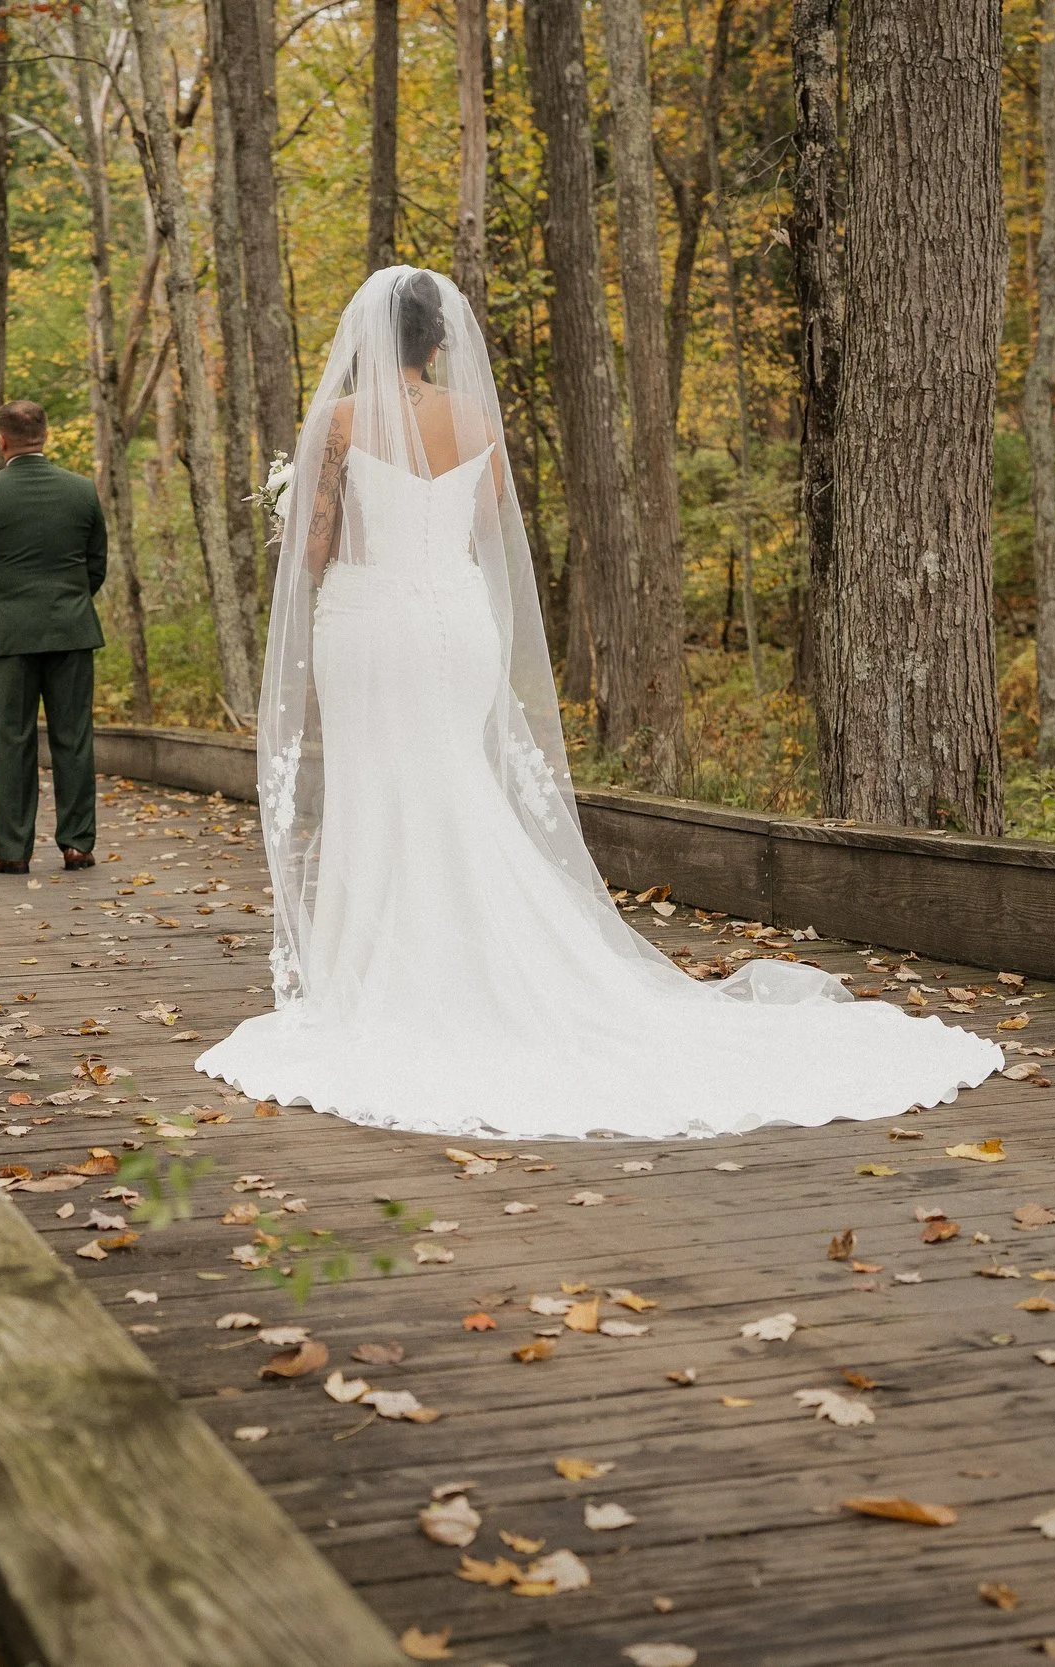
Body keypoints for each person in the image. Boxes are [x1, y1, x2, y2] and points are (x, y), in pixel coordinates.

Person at [196, 269, 1000, 1139]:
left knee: (384, 784)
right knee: (450, 781)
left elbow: (314, 547)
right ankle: (495, 962)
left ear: (365, 338)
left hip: (370, 621)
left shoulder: (341, 422)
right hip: (458, 622)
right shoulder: (475, 420)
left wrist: (318, 539)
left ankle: (392, 973)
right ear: (437, 340)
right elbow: (484, 524)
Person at [0, 399, 108, 875]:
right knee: (74, 737)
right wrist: (69, 606)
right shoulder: (82, 492)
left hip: (11, 636)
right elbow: (96, 566)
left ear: (1, 440)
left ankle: (14, 849)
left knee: (12, 739)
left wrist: (0, 613)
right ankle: (78, 843)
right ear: (46, 435)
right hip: (72, 629)